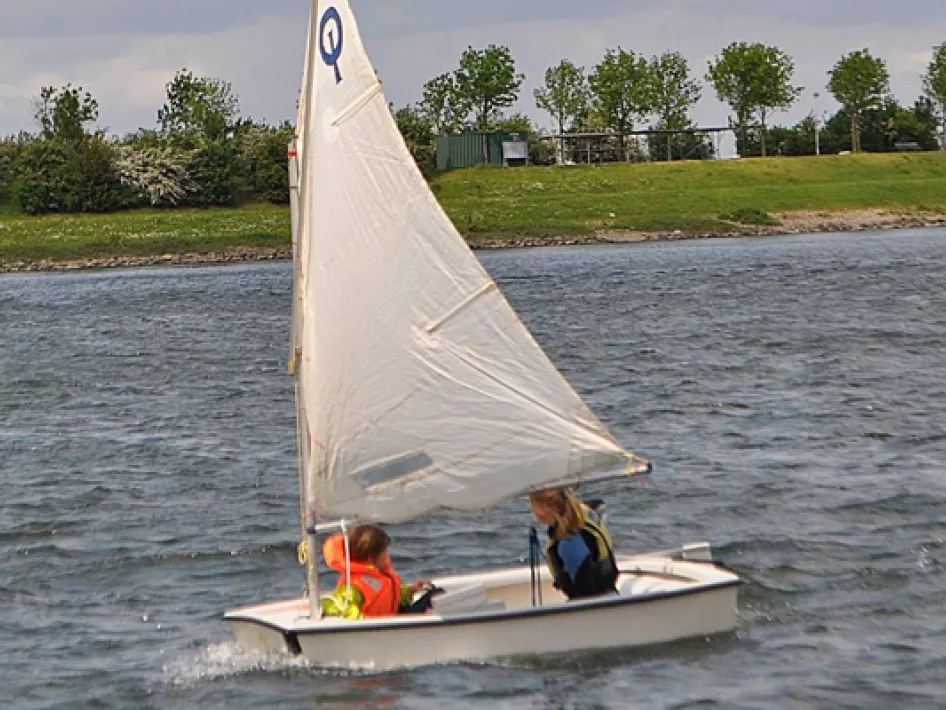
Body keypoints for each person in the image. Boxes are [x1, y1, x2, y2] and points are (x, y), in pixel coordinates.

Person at [319, 524, 434, 619]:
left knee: (434, 594)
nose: (387, 556)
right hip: (375, 629)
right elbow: (343, 606)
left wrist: (411, 590)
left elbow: (391, 597)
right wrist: (363, 621)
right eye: (384, 553)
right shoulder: (355, 585)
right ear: (371, 558)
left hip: (390, 620)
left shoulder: (380, 576)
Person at [529, 488, 619, 600]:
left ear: (545, 508)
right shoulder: (579, 514)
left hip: (598, 603)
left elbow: (586, 594)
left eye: (533, 505)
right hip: (609, 595)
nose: (532, 510)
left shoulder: (569, 543)